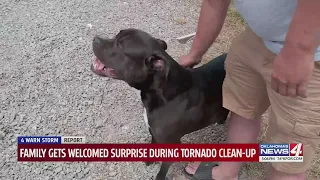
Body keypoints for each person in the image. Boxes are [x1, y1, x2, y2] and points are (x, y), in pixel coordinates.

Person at [178, 0, 320, 180]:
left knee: (292, 146)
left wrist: (299, 51)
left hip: (312, 53)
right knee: (243, 107)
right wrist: (195, 53)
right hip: (256, 38)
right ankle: (227, 172)